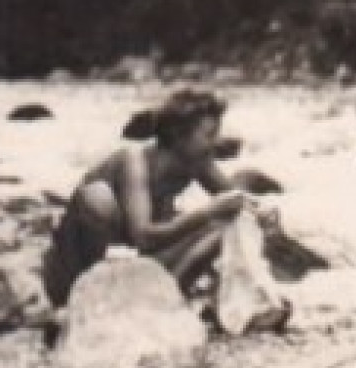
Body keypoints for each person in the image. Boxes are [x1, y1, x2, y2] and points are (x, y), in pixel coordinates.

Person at [41, 89, 249, 308]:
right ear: (178, 135)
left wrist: (261, 213)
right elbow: (143, 237)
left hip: (129, 262)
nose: (217, 142)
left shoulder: (197, 161)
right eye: (210, 135)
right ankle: (87, 300)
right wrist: (207, 212)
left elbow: (238, 200)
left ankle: (168, 296)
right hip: (75, 271)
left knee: (225, 226)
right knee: (97, 197)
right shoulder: (133, 162)